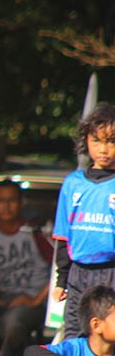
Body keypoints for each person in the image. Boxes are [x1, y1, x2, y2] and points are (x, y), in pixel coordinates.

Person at [0, 179, 53, 356]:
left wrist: (35, 300)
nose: (6, 206)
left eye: (12, 200)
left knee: (14, 322)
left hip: (32, 299)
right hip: (1, 297)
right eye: (1, 200)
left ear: (21, 203)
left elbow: (57, 269)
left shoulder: (34, 232)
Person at [51, 103, 115, 338]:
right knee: (75, 331)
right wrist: (62, 280)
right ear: (85, 141)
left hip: (111, 272)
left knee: (109, 334)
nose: (103, 149)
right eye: (96, 140)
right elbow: (62, 235)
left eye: (111, 141)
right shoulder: (73, 183)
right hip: (79, 272)